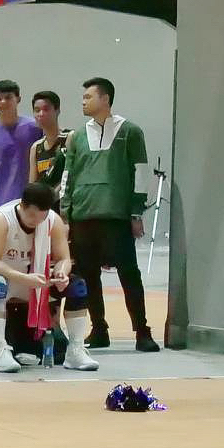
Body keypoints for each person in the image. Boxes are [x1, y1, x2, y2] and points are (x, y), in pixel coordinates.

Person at [60, 77, 158, 352]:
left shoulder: (130, 132)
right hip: (83, 215)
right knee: (88, 276)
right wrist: (66, 215)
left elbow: (140, 173)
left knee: (129, 274)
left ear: (105, 99)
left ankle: (142, 331)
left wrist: (136, 212)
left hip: (116, 216)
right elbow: (69, 175)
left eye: (88, 97)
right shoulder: (77, 136)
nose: (83, 102)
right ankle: (99, 329)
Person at [0, 181, 96, 372]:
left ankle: (75, 350)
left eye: (42, 216)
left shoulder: (53, 220)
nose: (37, 221)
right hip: (2, 274)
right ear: (22, 205)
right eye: (32, 215)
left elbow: (64, 258)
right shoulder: (1, 218)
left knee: (77, 286)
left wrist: (61, 273)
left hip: (36, 276)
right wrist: (24, 279)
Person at [0, 80, 42, 215]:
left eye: (8, 97)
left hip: (30, 203)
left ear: (18, 99)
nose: (3, 102)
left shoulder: (35, 128)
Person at [29, 90, 69, 197]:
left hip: (65, 201)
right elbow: (32, 186)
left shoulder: (69, 138)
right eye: (37, 110)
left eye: (46, 109)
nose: (41, 114)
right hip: (44, 204)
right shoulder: (36, 147)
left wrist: (53, 195)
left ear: (57, 110)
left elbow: (73, 174)